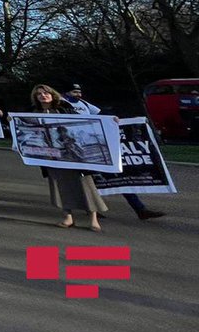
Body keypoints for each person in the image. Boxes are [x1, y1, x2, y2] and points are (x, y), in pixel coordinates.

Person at [61, 84, 165, 221]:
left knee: (117, 175)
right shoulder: (62, 104)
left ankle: (140, 209)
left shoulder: (84, 103)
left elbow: (100, 113)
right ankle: (91, 209)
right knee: (88, 181)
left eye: (79, 91)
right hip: (79, 148)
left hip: (96, 143)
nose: (78, 94)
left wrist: (113, 118)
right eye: (75, 91)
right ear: (67, 92)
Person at [30, 84, 106, 231]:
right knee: (60, 186)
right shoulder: (33, 112)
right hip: (50, 156)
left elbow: (83, 123)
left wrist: (112, 120)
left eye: (45, 93)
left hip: (73, 154)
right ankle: (68, 217)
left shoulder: (65, 108)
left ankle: (93, 218)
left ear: (52, 94)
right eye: (39, 94)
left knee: (85, 184)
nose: (43, 96)